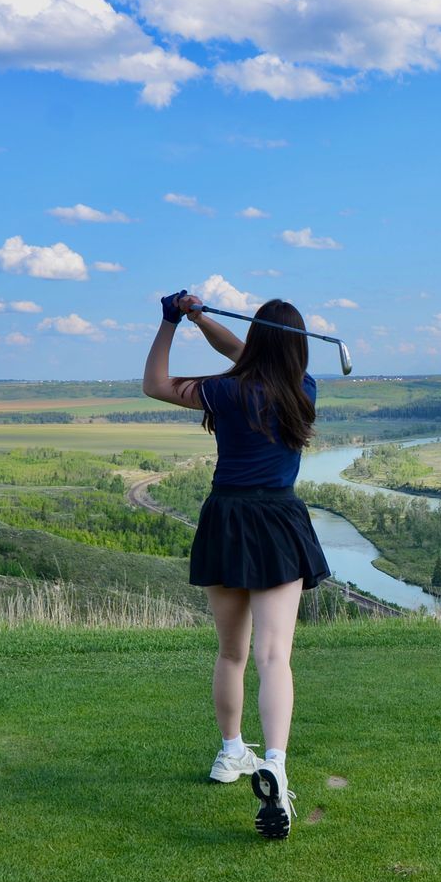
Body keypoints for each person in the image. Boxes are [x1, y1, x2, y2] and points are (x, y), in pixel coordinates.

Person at [141, 289, 331, 840]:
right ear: (299, 351)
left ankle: (230, 753)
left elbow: (155, 384)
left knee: (231, 652)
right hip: (277, 521)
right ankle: (273, 761)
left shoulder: (223, 393)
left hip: (225, 519)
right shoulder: (304, 390)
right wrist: (199, 317)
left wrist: (172, 322)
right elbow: (248, 354)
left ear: (257, 344)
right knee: (275, 656)